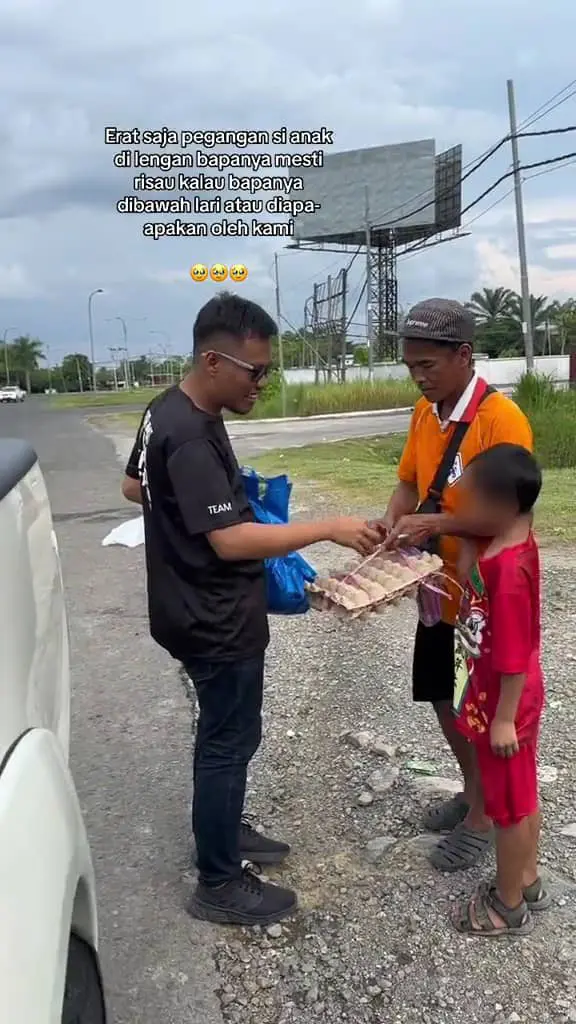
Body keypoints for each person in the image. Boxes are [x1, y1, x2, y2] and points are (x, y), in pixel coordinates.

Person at [121, 291, 381, 926]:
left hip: (187, 605)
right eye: (255, 371)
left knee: (230, 735)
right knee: (226, 741)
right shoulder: (187, 433)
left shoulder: (168, 411)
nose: (264, 382)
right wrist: (326, 527)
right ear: (214, 362)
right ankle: (217, 880)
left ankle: (224, 834)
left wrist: (196, 506)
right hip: (213, 617)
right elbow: (231, 540)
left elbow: (134, 485)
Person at [379, 298, 533, 871]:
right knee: (443, 698)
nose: (418, 377)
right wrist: (393, 524)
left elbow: (509, 518)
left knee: (480, 706)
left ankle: (485, 817)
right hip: (437, 591)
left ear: (464, 355)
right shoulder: (426, 415)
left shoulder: (501, 422)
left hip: (481, 601)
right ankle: (474, 791)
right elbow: (407, 484)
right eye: (410, 366)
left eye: (428, 365)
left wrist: (435, 523)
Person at [451, 443, 547, 936]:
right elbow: (474, 581)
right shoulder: (510, 543)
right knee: (522, 791)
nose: (460, 509)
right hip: (505, 696)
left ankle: (508, 906)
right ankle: (527, 878)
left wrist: (504, 718)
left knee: (507, 807)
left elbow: (511, 658)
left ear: (503, 506)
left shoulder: (508, 573)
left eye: (469, 501)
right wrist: (469, 543)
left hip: (503, 704)